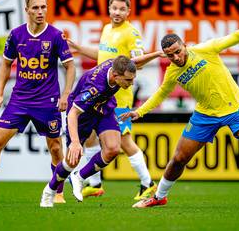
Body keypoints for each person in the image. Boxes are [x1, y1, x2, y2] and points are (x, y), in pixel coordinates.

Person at [120, 18, 239, 208]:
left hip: (235, 108)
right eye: (171, 55)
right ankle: (159, 197)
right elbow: (161, 93)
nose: (177, 58)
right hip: (205, 115)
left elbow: (233, 37)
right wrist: (140, 112)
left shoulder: (205, 49)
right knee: (179, 159)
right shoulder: (172, 72)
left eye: (178, 51)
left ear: (185, 46)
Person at [0, 0, 75, 204]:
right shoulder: (16, 35)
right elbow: (6, 63)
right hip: (20, 100)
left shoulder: (56, 36)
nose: (40, 12)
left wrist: (65, 94)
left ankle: (58, 193)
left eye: (43, 7)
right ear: (27, 10)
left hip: (47, 101)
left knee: (56, 148)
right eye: (36, 8)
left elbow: (70, 67)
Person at [40, 53, 162, 207]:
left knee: (113, 149)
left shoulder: (119, 66)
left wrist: (157, 54)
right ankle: (49, 191)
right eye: (128, 80)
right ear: (115, 76)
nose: (132, 84)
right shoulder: (94, 87)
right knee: (72, 161)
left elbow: (135, 62)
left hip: (104, 108)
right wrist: (76, 143)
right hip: (82, 115)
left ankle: (80, 177)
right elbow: (72, 114)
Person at [68, 0, 156, 200]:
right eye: (114, 8)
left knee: (123, 141)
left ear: (129, 11)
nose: (117, 12)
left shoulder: (131, 32)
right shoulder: (107, 29)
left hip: (119, 97)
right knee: (90, 136)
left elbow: (137, 63)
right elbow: (102, 57)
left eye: (121, 9)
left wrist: (156, 54)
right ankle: (95, 184)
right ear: (109, 9)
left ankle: (147, 183)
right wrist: (80, 48)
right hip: (101, 95)